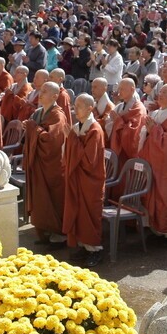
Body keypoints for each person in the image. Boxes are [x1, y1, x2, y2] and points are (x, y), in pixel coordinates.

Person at [63, 93, 107, 266]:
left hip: (91, 180)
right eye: (75, 105)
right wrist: (71, 139)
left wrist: (72, 139)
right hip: (77, 177)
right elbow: (70, 152)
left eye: (79, 105)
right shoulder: (77, 126)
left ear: (90, 108)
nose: (75, 108)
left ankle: (95, 250)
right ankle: (83, 244)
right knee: (78, 211)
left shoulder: (95, 130)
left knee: (90, 214)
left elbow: (90, 160)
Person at [23, 82, 68, 245]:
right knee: (40, 198)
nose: (40, 94)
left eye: (44, 91)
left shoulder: (57, 115)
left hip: (52, 165)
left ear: (55, 96)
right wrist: (29, 128)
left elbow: (52, 141)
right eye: (40, 91)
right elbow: (37, 131)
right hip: (40, 164)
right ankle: (46, 231)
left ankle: (59, 234)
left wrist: (33, 129)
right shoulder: (40, 112)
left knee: (53, 199)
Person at [141, 82, 167, 238]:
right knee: (153, 193)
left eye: (165, 92)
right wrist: (148, 130)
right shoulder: (157, 113)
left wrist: (154, 130)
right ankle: (155, 227)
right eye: (160, 91)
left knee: (166, 196)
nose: (161, 94)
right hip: (154, 161)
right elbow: (147, 133)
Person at [108, 77, 146, 163]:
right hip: (117, 147)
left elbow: (133, 134)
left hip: (127, 153)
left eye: (122, 89)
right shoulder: (120, 106)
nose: (119, 92)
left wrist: (118, 120)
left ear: (132, 90)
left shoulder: (138, 109)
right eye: (119, 89)